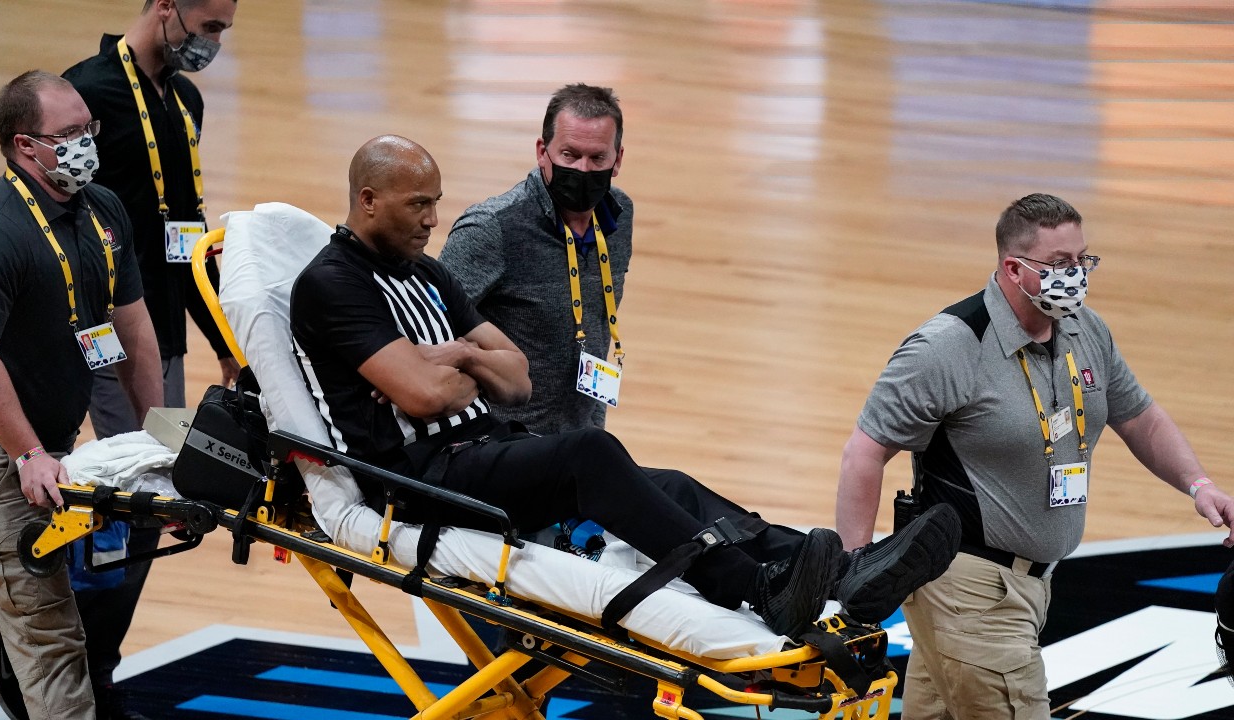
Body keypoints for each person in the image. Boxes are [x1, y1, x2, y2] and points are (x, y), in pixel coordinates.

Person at [290, 135, 960, 644]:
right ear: (368, 199)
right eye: (418, 205)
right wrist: (464, 364)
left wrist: (450, 355)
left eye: (436, 203)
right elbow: (424, 398)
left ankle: (842, 571)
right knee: (589, 455)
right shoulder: (332, 284)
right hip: (418, 484)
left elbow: (517, 376)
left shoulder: (426, 273)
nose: (433, 219)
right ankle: (755, 586)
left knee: (667, 485)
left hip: (483, 450)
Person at [834, 193, 1234, 719]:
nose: (1077, 275)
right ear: (1013, 268)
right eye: (1060, 264)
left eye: (1083, 260)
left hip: (1028, 586)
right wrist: (854, 584)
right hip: (968, 591)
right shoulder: (948, 347)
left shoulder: (1086, 331)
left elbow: (1140, 416)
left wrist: (1198, 485)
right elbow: (863, 453)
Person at [0, 5, 240, 719]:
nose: (214, 42)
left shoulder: (185, 100)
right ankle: (74, 661)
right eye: (209, 24)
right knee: (126, 505)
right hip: (92, 337)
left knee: (150, 504)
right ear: (165, 7)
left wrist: (220, 340)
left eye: (225, 28)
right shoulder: (88, 87)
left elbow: (186, 232)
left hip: (155, 330)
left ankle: (85, 654)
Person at [0, 70, 163, 720]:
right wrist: (27, 454)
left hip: (44, 452)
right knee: (51, 643)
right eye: (68, 135)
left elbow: (134, 327)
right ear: (24, 146)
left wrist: (160, 435)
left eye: (88, 129)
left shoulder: (101, 210)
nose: (85, 144)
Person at [440, 83, 631, 435]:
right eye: (569, 156)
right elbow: (431, 324)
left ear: (617, 159)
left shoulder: (620, 216)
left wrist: (595, 430)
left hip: (580, 437)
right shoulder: (492, 228)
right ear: (542, 151)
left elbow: (599, 327)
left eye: (597, 158)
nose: (583, 170)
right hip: (503, 442)